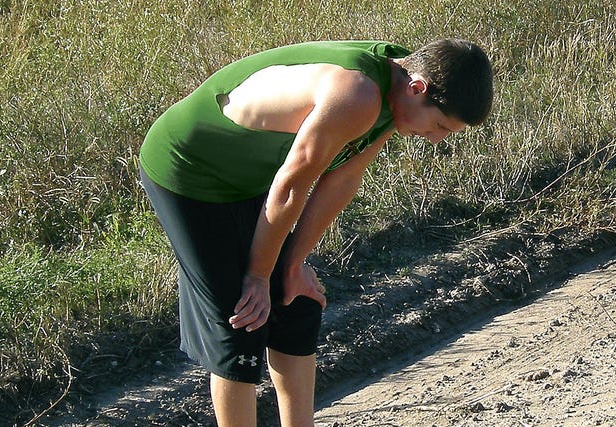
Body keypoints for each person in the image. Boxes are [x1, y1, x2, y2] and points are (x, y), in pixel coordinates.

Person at [139, 39, 493, 427]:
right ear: (418, 88)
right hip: (189, 169)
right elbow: (291, 188)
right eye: (440, 125)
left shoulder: (400, 87)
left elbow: (343, 178)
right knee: (241, 320)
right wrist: (257, 277)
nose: (437, 138)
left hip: (249, 178)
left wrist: (292, 264)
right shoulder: (357, 95)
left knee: (297, 301)